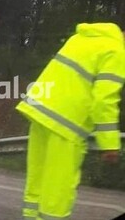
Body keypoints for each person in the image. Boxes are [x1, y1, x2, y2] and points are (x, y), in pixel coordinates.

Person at [16, 22, 124, 220]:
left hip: (40, 112)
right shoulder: (116, 51)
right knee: (58, 190)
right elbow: (104, 101)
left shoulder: (81, 39)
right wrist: (109, 144)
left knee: (37, 183)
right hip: (66, 124)